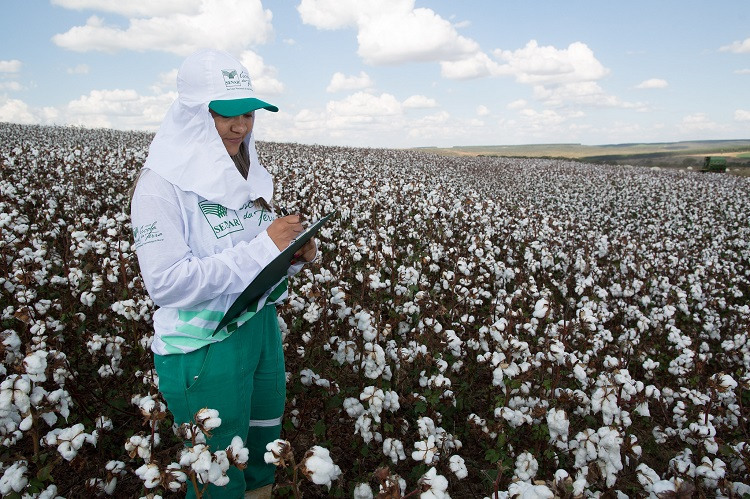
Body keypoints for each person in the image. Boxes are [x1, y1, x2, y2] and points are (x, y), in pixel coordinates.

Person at [130, 49, 316, 498]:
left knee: (259, 454)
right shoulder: (160, 187)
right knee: (215, 473)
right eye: (227, 115)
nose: (242, 127)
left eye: (249, 114)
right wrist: (263, 247)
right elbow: (167, 283)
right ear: (193, 116)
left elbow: (250, 252)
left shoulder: (245, 173)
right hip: (203, 348)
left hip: (258, 329)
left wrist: (289, 253)